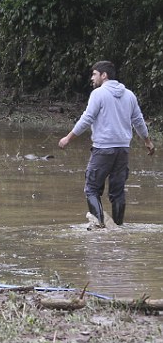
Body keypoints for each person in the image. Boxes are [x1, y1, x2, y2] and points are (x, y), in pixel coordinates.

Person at [58, 60, 155, 228]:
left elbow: (87, 119)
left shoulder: (99, 94)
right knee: (117, 193)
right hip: (123, 150)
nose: (92, 78)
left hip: (103, 149)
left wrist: (68, 138)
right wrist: (147, 141)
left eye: (94, 74)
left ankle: (99, 227)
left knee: (91, 189)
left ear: (104, 75)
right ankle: (118, 229)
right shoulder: (130, 95)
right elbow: (138, 121)